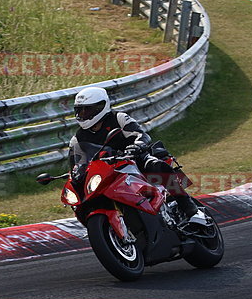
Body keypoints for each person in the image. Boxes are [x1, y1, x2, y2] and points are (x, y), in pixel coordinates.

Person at [68, 86, 207, 225]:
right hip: (105, 172)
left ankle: (192, 210)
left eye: (88, 109)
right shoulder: (77, 138)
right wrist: (75, 173)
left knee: (156, 166)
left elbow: (141, 134)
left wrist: (138, 145)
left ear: (101, 107)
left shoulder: (118, 118)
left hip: (133, 159)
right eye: (80, 110)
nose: (83, 114)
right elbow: (75, 163)